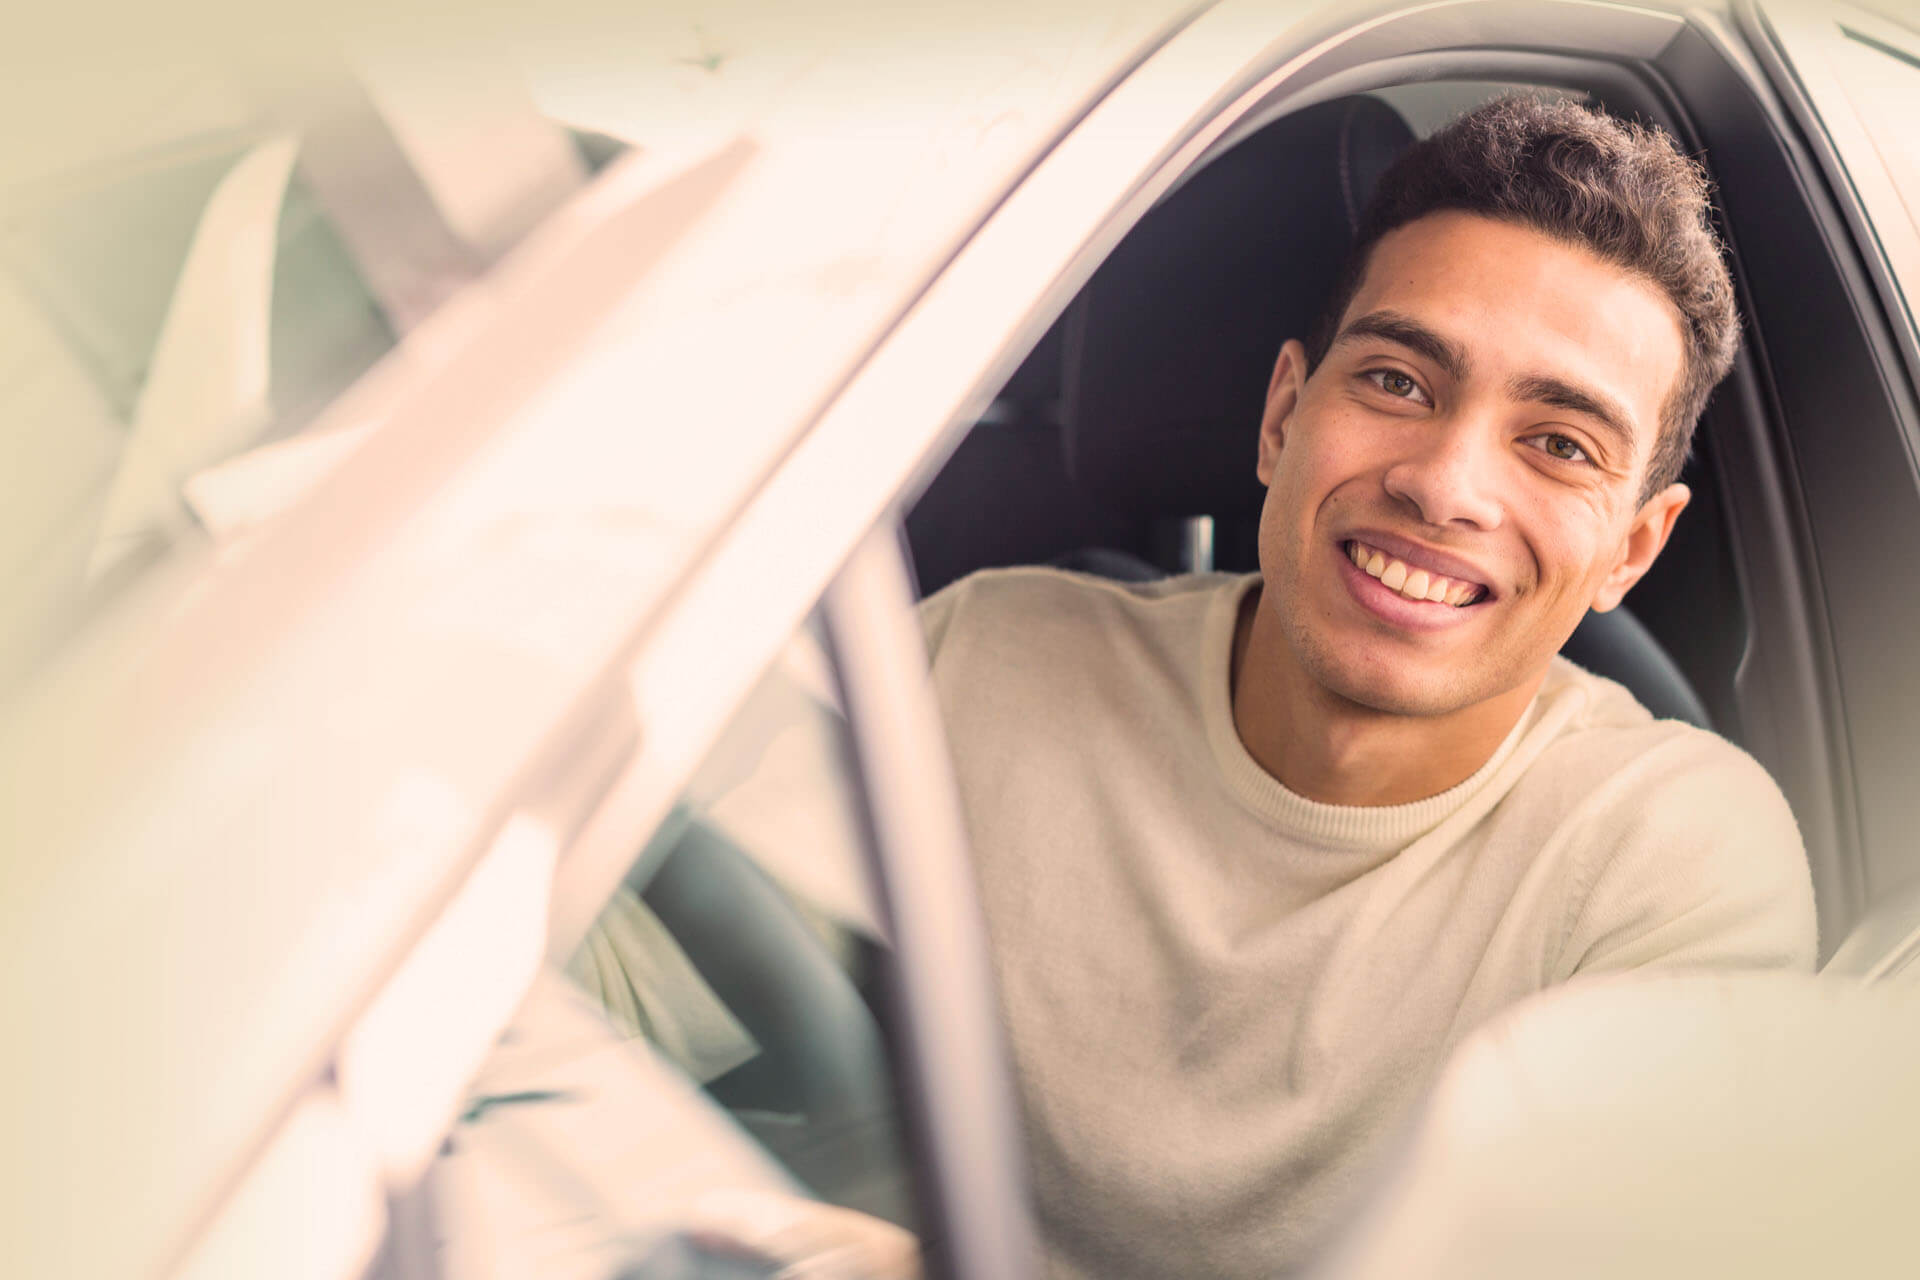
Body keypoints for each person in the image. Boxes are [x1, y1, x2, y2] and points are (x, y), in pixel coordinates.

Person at [686, 94, 1817, 1278]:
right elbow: (592, 978)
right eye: (1397, 381)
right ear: (1284, 415)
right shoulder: (976, 656)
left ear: (1630, 552)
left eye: (1560, 444)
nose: (1445, 485)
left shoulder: (1674, 863)